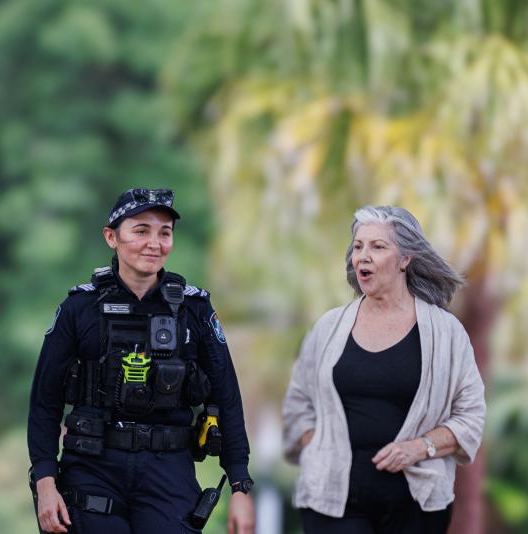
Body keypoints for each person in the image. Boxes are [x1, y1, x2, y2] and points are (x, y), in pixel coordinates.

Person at [28, 188, 256, 534]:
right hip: (93, 467)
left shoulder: (194, 310)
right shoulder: (79, 308)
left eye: (165, 233)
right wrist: (45, 482)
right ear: (111, 237)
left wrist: (239, 483)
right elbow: (45, 401)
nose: (154, 243)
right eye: (141, 231)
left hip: (169, 471)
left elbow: (226, 395)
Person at [282, 205, 486, 533]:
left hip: (416, 505)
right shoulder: (329, 327)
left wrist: (419, 448)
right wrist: (318, 449)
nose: (363, 255)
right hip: (333, 502)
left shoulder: (445, 332)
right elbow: (298, 403)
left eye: (378, 247)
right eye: (358, 246)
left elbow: (471, 416)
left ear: (405, 259)